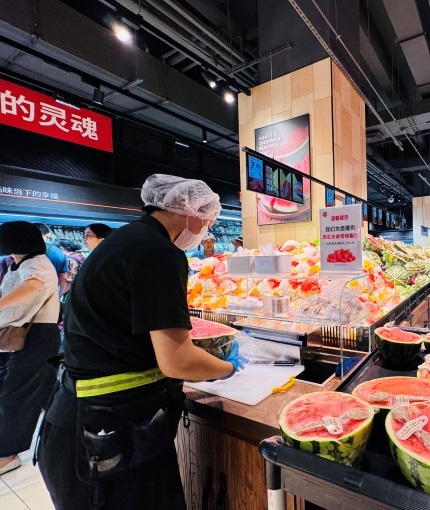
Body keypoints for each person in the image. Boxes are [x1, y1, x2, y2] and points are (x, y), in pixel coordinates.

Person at [38, 174, 247, 510]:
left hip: (82, 418)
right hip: (110, 434)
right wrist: (228, 368)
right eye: (208, 218)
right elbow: (177, 361)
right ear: (189, 211)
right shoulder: (159, 252)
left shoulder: (125, 240)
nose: (208, 227)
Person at [0, 222, 60, 475]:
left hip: (35, 334)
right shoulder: (19, 263)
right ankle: (62, 436)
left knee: (16, 394)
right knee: (35, 391)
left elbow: (33, 285)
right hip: (22, 335)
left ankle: (7, 453)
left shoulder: (37, 263)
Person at [35, 223, 69, 296]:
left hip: (26, 294)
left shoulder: (20, 250)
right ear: (48, 235)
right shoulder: (58, 253)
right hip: (49, 293)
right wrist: (60, 294)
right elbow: (63, 277)